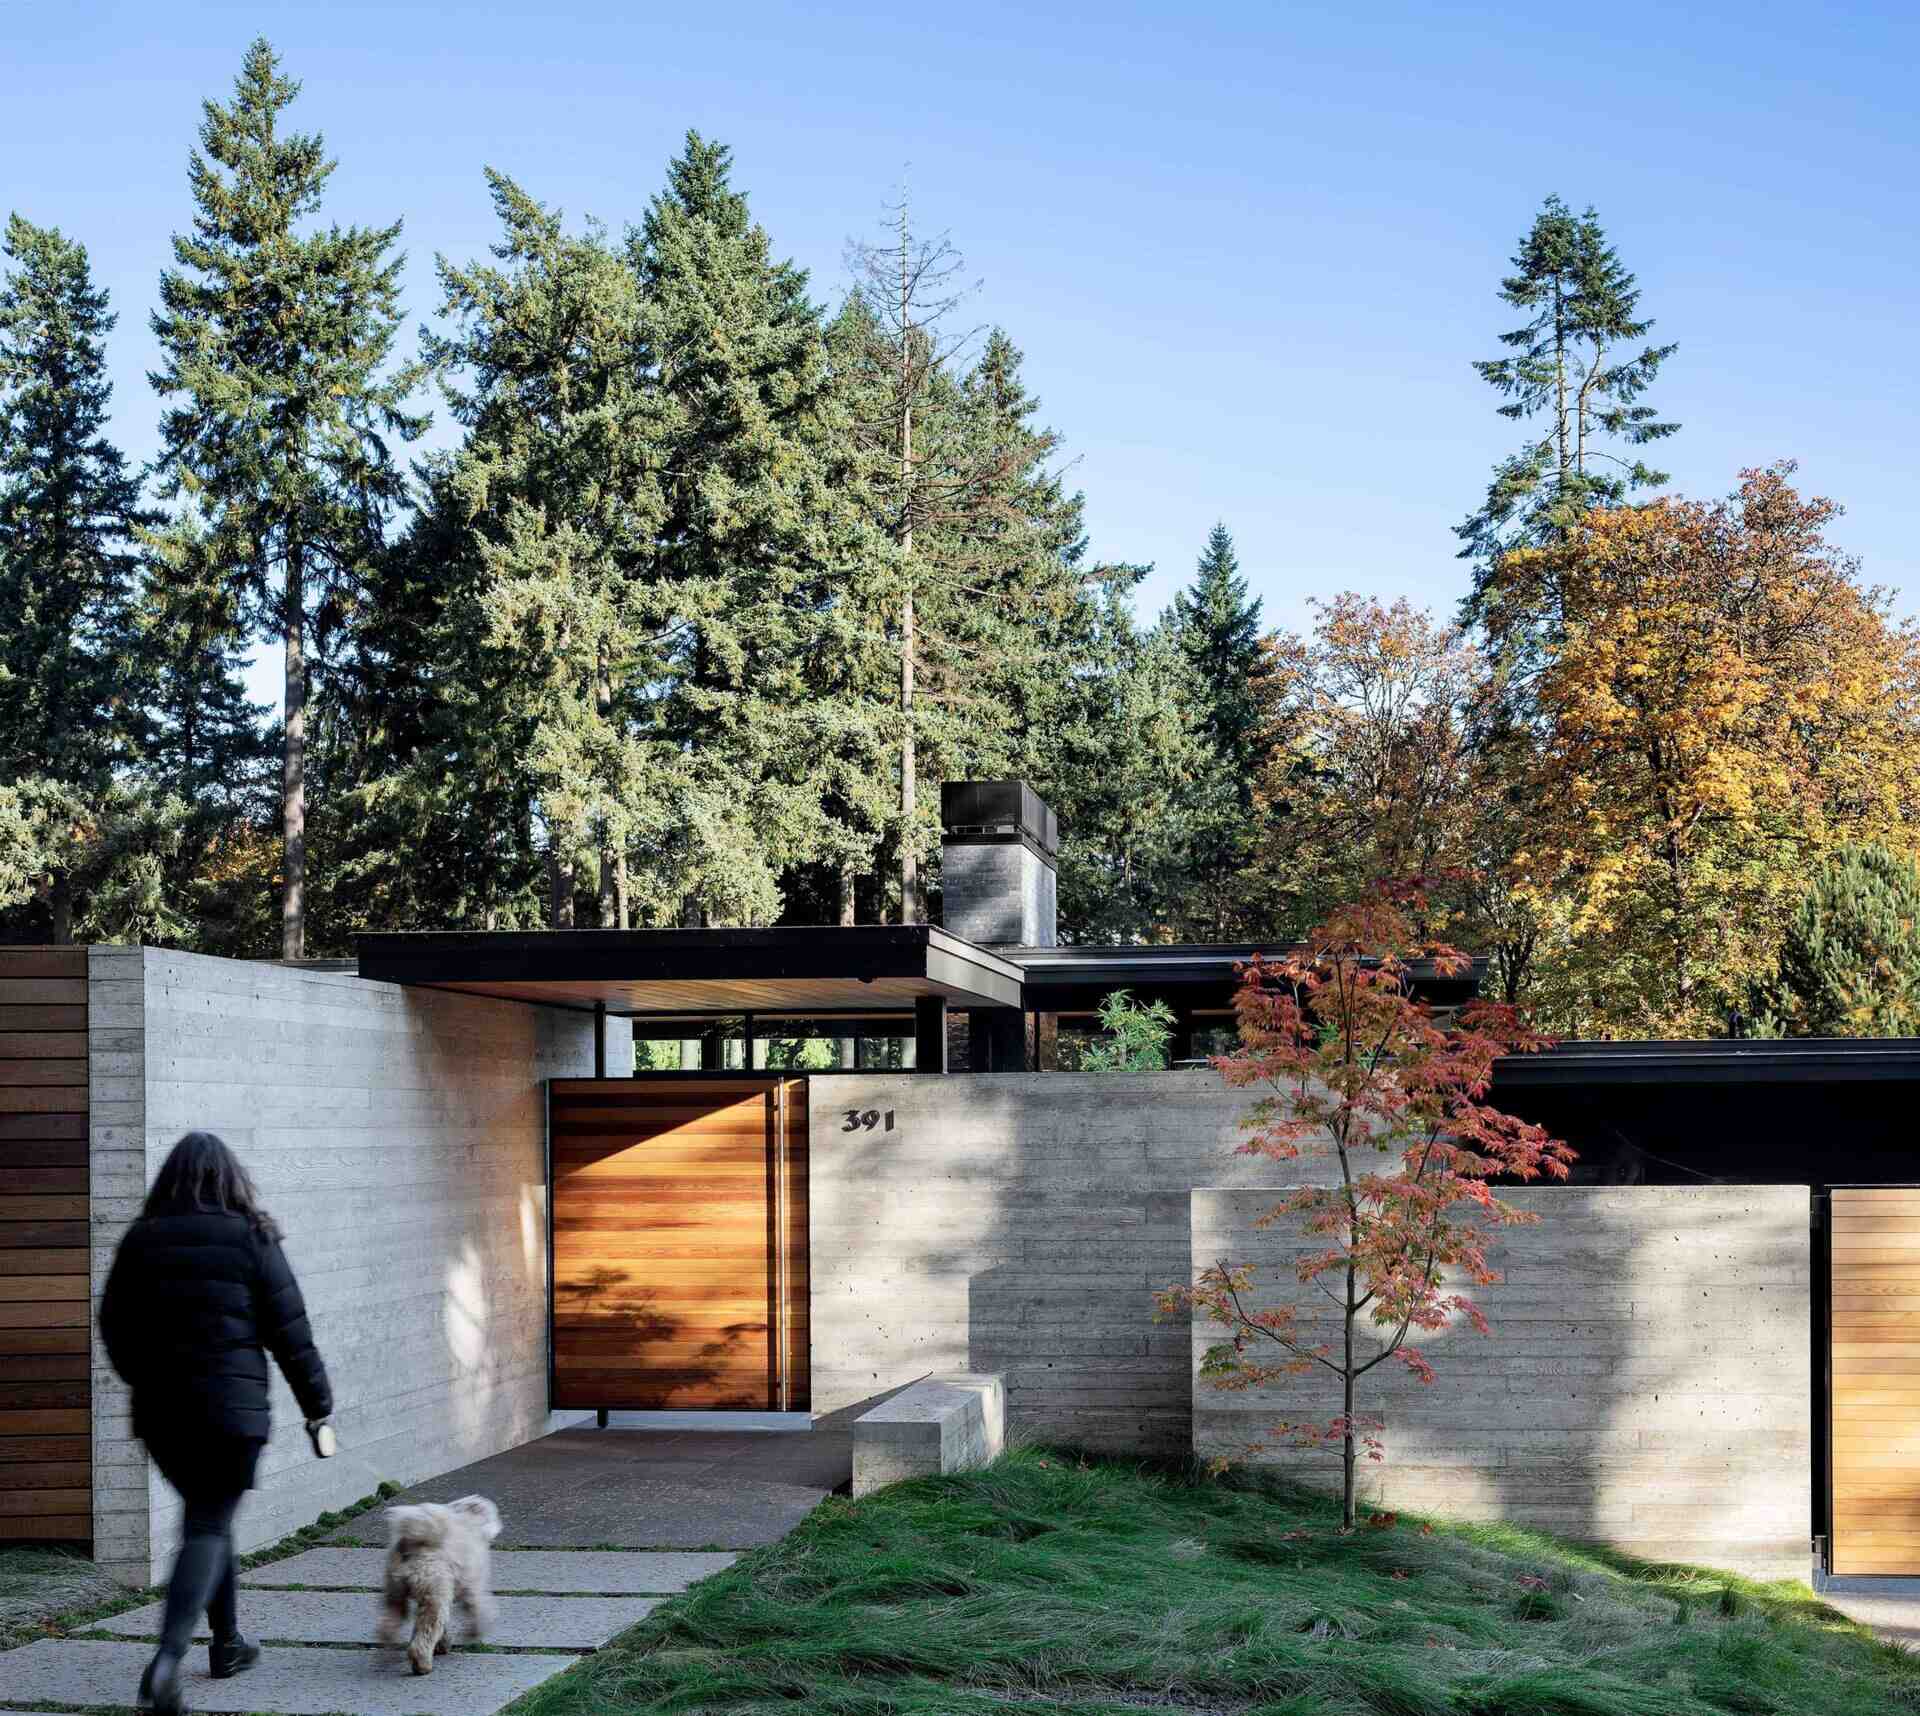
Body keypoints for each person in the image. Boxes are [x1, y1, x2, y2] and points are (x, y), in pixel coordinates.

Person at [100, 1132, 334, 1714]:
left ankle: (227, 1644)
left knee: (209, 1518)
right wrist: (318, 1408)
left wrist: (142, 1378)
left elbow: (113, 1325)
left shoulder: (142, 1238)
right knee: (207, 1523)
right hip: (233, 1415)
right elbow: (292, 1333)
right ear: (231, 1178)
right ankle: (166, 1662)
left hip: (163, 1416)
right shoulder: (252, 1236)